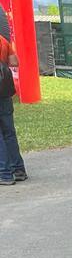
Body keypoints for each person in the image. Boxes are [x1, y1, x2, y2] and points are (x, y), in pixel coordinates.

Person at [0, 32, 26, 186]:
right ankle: (18, 169)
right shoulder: (2, 39)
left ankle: (4, 173)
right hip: (4, 90)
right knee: (9, 131)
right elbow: (15, 62)